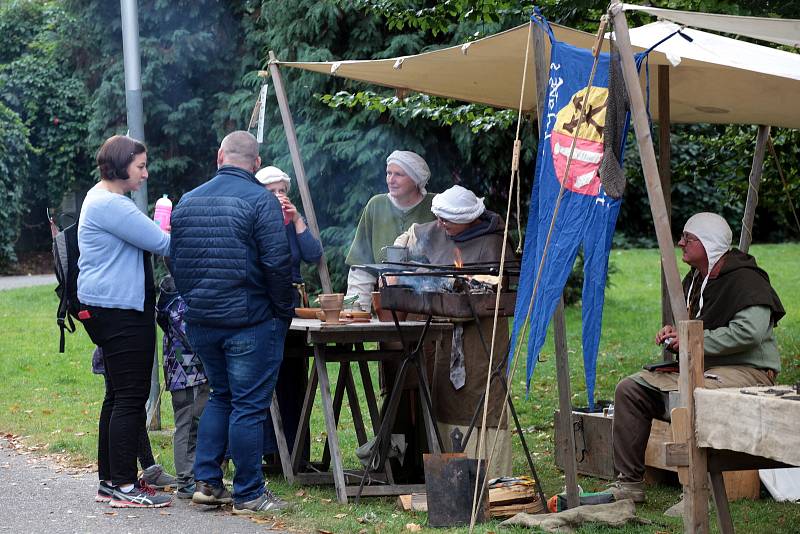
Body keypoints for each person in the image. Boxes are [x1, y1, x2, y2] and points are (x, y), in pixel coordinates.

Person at [606, 212, 785, 510]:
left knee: (692, 395)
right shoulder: (697, 280)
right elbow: (697, 326)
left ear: (710, 243)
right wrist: (676, 334)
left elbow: (749, 333)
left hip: (750, 371)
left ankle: (696, 493)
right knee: (631, 389)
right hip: (705, 368)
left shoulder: (746, 280)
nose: (681, 243)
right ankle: (629, 485)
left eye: (688, 238)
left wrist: (691, 341)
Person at [169, 131, 295, 514]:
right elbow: (277, 264)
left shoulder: (187, 201)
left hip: (202, 321)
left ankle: (207, 483)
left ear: (219, 156)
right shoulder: (261, 200)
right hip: (249, 320)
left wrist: (195, 301)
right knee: (249, 406)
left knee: (221, 397)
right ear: (256, 164)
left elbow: (173, 262)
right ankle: (249, 492)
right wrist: (282, 311)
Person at [394, 185, 515, 478]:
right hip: (443, 330)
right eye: (439, 217)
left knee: (480, 394)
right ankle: (442, 468)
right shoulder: (437, 230)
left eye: (447, 219)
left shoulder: (492, 243)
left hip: (482, 334)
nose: (440, 224)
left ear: (469, 217)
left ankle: (484, 470)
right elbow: (408, 239)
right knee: (442, 394)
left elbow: (501, 286)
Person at [77, 134, 172, 508]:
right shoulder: (112, 204)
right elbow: (161, 242)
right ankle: (123, 486)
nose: (145, 174)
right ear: (120, 166)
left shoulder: (100, 198)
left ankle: (110, 482)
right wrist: (165, 218)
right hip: (120, 311)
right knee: (132, 398)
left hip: (107, 308)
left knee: (117, 396)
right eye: (140, 166)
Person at [254, 165, 322, 466]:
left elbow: (313, 253)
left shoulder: (290, 221)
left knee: (294, 376)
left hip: (293, 301)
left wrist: (296, 220)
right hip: (268, 303)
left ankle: (296, 454)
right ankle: (270, 452)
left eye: (282, 191)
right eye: (272, 192)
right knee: (270, 377)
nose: (279, 196)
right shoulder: (257, 221)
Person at [345, 150, 437, 310]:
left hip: (429, 304)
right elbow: (361, 265)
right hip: (385, 305)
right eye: (388, 173)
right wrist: (356, 310)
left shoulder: (436, 206)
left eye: (399, 174)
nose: (391, 180)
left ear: (416, 179)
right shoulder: (376, 205)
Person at [90, 347, 178, 493]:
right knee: (129, 405)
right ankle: (125, 483)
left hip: (112, 348)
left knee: (117, 402)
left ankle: (111, 481)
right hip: (123, 349)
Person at [155, 274, 209, 499]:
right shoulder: (178, 302)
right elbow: (192, 335)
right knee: (186, 427)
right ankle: (185, 480)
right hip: (186, 375)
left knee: (193, 426)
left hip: (190, 373)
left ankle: (192, 475)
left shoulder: (174, 297)